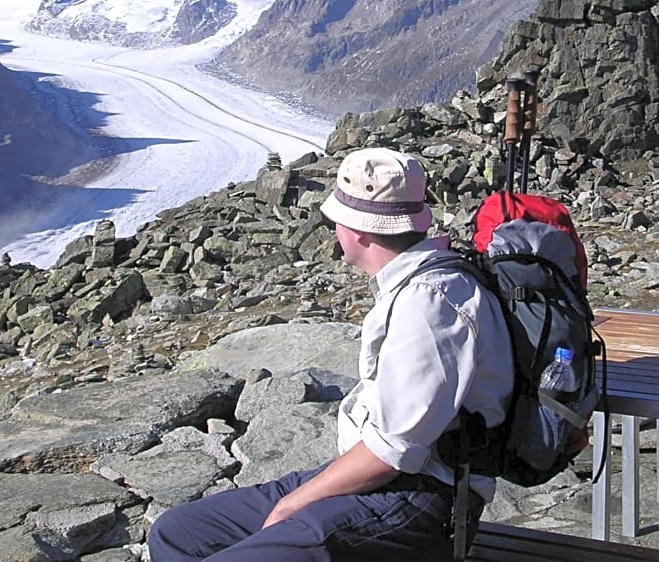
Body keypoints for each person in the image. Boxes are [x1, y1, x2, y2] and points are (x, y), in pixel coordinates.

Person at [148, 147, 514, 562]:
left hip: (420, 498)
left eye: (335, 220)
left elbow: (393, 452)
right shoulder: (416, 286)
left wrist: (293, 504)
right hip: (386, 484)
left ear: (359, 231)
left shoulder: (430, 303)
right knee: (177, 533)